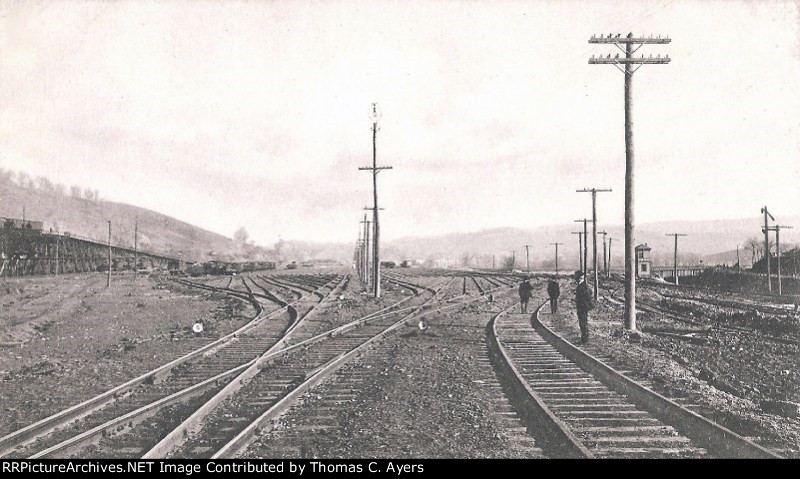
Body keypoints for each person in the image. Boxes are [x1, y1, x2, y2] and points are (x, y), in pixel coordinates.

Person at [574, 270, 594, 343]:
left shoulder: (583, 286)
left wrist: (584, 305)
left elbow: (586, 297)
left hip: (583, 307)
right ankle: (584, 338)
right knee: (582, 322)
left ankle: (585, 339)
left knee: (583, 323)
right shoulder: (582, 285)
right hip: (582, 307)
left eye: (578, 278)